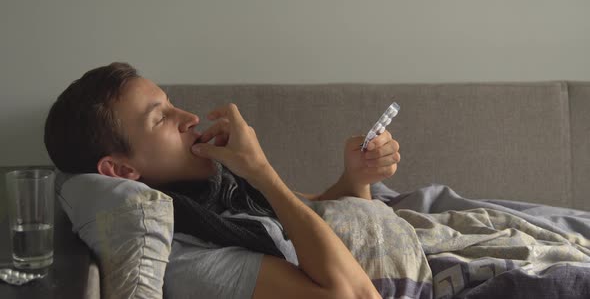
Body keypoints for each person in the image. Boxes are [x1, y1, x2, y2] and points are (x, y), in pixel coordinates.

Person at [44, 62, 401, 299]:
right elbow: (353, 295)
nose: (189, 117)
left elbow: (308, 217)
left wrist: (356, 179)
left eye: (172, 104)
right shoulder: (189, 260)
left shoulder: (213, 198)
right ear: (121, 172)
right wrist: (262, 173)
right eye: (160, 118)